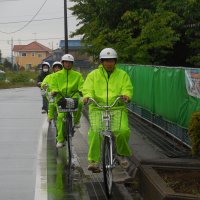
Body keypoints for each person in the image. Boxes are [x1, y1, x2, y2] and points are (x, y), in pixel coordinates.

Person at [82, 48, 133, 172]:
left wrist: (126, 95)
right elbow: (87, 88)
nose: (109, 63)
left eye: (111, 60)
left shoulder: (122, 75)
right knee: (95, 132)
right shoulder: (93, 75)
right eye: (106, 61)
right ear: (101, 62)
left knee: (123, 131)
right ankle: (94, 161)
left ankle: (121, 154)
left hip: (117, 108)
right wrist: (87, 97)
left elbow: (127, 88)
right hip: (97, 109)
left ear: (115, 61)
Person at [51, 54, 84, 148]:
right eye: (66, 62)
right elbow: (53, 86)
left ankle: (77, 121)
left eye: (70, 62)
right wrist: (54, 91)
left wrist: (82, 91)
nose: (68, 64)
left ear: (72, 64)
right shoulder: (56, 75)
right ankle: (60, 139)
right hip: (61, 98)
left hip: (74, 97)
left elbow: (82, 85)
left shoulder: (78, 75)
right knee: (61, 117)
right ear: (63, 63)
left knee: (81, 102)